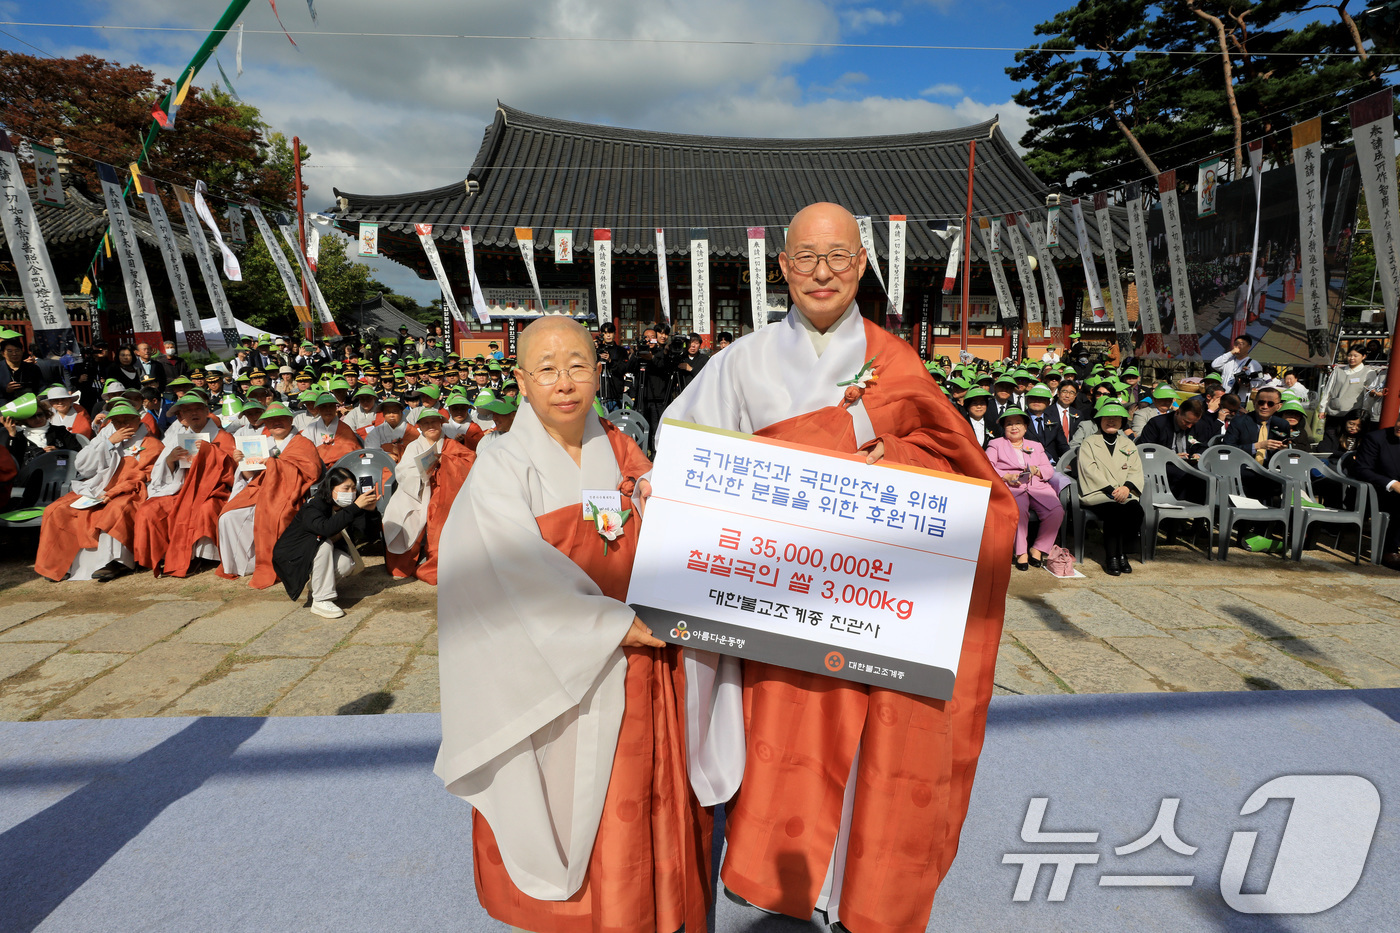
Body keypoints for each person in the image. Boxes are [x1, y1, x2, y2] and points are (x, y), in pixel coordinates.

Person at [657, 202, 1016, 931]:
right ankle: (770, 882)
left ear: (861, 266)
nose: (822, 272)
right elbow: (682, 463)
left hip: (870, 604)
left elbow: (978, 489)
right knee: (775, 748)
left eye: (839, 257)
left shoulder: (898, 361)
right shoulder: (740, 362)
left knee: (869, 761)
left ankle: (857, 892)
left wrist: (904, 458)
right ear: (782, 267)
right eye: (806, 257)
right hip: (776, 603)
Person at [434, 317, 711, 933]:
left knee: (643, 800)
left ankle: (650, 913)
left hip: (640, 661)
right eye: (548, 369)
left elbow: (682, 511)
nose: (565, 382)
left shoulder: (621, 450)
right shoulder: (502, 466)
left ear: (598, 368)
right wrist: (611, 626)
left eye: (579, 364)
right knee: (566, 801)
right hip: (560, 670)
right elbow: (505, 574)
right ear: (522, 382)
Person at [34, 400, 165, 581]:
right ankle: (58, 564)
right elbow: (83, 466)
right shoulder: (105, 437)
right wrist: (109, 443)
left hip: (130, 492)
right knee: (57, 509)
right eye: (117, 422)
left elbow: (145, 476)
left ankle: (114, 562)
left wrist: (114, 492)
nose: (122, 425)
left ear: (138, 419)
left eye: (127, 420)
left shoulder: (151, 444)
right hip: (96, 488)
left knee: (117, 509)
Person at [216, 403, 324, 587]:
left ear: (291, 420)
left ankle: (270, 562)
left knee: (273, 515)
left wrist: (275, 465)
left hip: (288, 493)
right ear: (266, 424)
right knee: (228, 516)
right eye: (271, 421)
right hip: (259, 490)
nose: (276, 423)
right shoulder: (261, 443)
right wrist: (242, 463)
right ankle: (242, 564)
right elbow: (251, 476)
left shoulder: (303, 443)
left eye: (281, 419)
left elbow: (311, 472)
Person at [131, 395, 237, 577]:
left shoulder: (223, 437)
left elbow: (231, 472)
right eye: (187, 410)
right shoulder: (178, 438)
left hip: (213, 491)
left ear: (206, 411)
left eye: (197, 409)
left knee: (203, 509)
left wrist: (211, 452)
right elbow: (162, 472)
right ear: (182, 415)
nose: (193, 413)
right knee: (149, 509)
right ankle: (159, 555)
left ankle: (200, 555)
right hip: (180, 488)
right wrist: (171, 460)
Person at [272, 466, 377, 618]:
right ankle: (321, 600)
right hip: (293, 554)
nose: (351, 493)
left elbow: (368, 534)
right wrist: (354, 508)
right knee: (324, 543)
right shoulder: (314, 506)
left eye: (353, 488)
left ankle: (318, 585)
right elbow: (325, 529)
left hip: (315, 552)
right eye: (345, 488)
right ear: (330, 488)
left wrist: (371, 512)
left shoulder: (351, 506)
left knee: (345, 564)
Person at [986, 408, 1064, 570]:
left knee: (1056, 511)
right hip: (1011, 486)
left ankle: (1038, 549)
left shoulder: (1036, 445)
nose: (1014, 427)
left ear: (1026, 427)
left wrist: (1037, 470)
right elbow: (987, 467)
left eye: (1018, 423)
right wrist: (1005, 476)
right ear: (1004, 428)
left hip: (1037, 485)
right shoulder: (995, 444)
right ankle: (1021, 552)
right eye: (1009, 424)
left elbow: (1049, 470)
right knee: (1018, 511)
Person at [1077, 402, 1144, 575]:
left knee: (1136, 510)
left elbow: (1136, 469)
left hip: (1124, 492)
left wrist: (1127, 488)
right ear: (1099, 420)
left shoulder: (1128, 444)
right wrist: (1111, 490)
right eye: (1107, 418)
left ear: (1122, 422)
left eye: (1116, 419)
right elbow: (1089, 469)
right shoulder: (1089, 442)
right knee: (1115, 512)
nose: (1111, 422)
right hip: (1098, 492)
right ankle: (1112, 557)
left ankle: (1123, 553)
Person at [1353, 420, 1400, 569]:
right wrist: (1391, 484)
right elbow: (1362, 469)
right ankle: (1390, 551)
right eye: (1399, 420)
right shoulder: (1376, 438)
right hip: (1378, 490)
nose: (1399, 426)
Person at [2, 394, 80, 466]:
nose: (38, 419)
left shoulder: (60, 431)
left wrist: (59, 453)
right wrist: (12, 434)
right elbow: (12, 462)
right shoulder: (19, 437)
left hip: (61, 471)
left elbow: (77, 454)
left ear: (45, 414)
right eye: (32, 417)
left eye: (40, 414)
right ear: (25, 420)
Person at [1321, 347, 1375, 441]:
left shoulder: (1369, 373)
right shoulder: (1338, 371)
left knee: (1348, 441)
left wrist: (1364, 412)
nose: (1352, 358)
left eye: (1355, 355)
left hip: (1353, 415)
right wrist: (1322, 408)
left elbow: (1368, 396)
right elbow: (1328, 390)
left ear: (1364, 356)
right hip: (1334, 412)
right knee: (1330, 439)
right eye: (1349, 355)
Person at [301, 392, 363, 466]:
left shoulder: (345, 429)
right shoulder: (311, 428)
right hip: (317, 466)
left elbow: (351, 451)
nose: (328, 410)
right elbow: (303, 449)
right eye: (324, 406)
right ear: (318, 409)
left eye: (331, 406)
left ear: (335, 408)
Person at [2, 336, 44, 402]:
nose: (14, 354)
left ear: (22, 352)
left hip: (29, 404)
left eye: (17, 350)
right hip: (4, 407)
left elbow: (41, 387)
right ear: (3, 353)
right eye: (10, 351)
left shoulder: (32, 368)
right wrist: (5, 390)